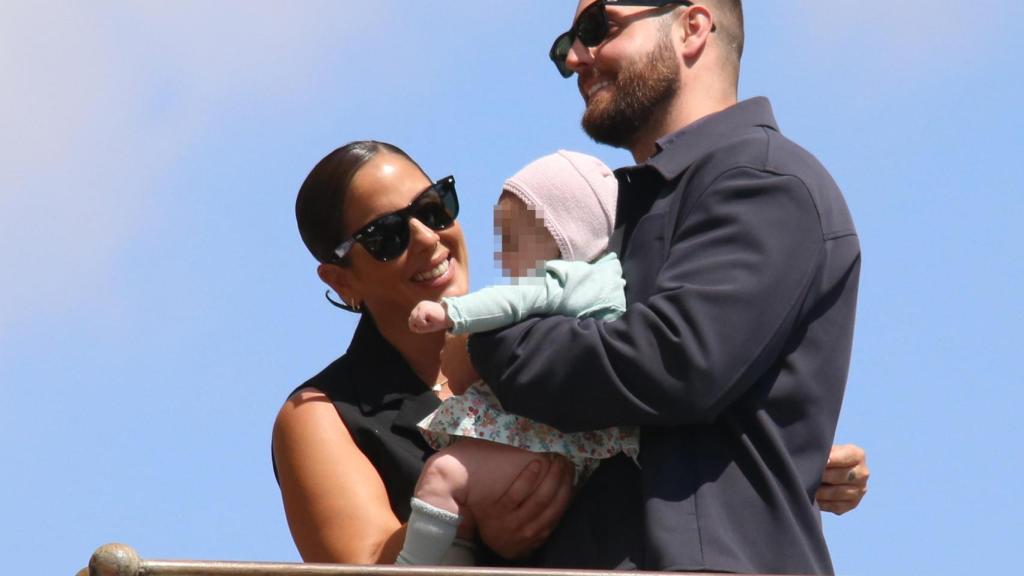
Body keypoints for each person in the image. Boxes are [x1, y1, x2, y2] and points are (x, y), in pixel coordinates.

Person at [272, 140, 869, 565]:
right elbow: (368, 566)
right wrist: (479, 525)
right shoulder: (319, 419)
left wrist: (794, 457)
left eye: (434, 208)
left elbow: (661, 404)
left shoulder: (546, 332)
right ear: (340, 280)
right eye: (386, 235)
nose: (428, 238)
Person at [443, 0, 862, 573]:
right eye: (565, 42)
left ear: (692, 27)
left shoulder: (762, 181)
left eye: (597, 28)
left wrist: (499, 341)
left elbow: (676, 360)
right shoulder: (640, 204)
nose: (574, 57)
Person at [398, 150, 637, 565]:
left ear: (562, 237)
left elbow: (512, 300)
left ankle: (406, 574)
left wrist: (451, 313)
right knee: (459, 497)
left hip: (550, 447)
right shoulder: (607, 283)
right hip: (573, 452)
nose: (501, 259)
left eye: (509, 241)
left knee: (443, 475)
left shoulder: (566, 279)